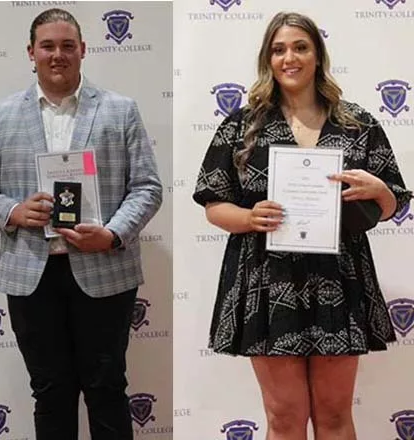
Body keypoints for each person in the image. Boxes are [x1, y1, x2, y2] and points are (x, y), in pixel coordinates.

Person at [193, 12, 411, 440]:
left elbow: (391, 204)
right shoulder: (243, 125)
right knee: (285, 418)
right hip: (266, 281)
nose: (289, 57)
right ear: (267, 59)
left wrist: (378, 190)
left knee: (333, 417)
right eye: (279, 49)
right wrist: (249, 217)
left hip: (339, 277)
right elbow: (213, 204)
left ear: (317, 55)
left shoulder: (357, 123)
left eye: (300, 47)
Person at [0, 8, 162, 440]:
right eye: (47, 46)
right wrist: (13, 212)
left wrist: (111, 234)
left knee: (107, 389)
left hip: (104, 270)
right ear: (30, 53)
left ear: (83, 51)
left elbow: (147, 187)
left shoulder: (120, 110)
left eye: (67, 46)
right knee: (50, 392)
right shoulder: (1, 115)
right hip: (32, 274)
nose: (58, 55)